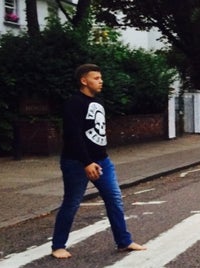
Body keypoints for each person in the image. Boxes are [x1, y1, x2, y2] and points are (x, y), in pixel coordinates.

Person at [51, 64, 146, 259]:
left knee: (114, 199)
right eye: (96, 78)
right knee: (72, 203)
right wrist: (86, 162)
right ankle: (58, 246)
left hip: (103, 161)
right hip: (77, 163)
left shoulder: (99, 101)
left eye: (101, 77)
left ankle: (124, 241)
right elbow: (72, 135)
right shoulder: (74, 103)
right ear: (84, 81)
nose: (101, 81)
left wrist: (99, 158)